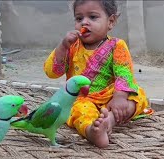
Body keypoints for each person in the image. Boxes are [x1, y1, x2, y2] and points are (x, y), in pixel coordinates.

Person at [44, 0, 153, 148]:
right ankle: (92, 131)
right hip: (83, 98)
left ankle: (111, 119)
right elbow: (52, 72)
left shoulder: (116, 45)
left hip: (110, 97)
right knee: (77, 110)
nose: (84, 23)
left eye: (93, 17)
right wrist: (63, 46)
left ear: (111, 21)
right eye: (79, 18)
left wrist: (120, 97)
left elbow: (124, 73)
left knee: (138, 95)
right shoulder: (71, 46)